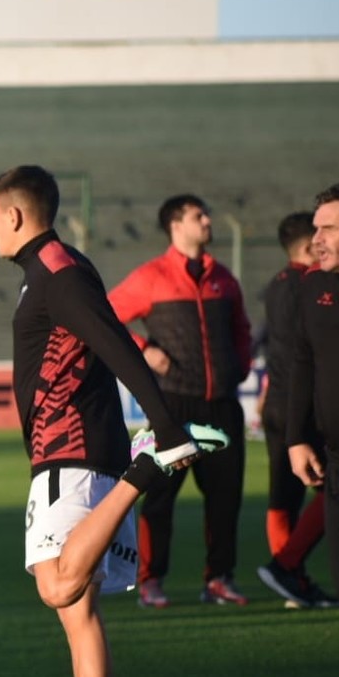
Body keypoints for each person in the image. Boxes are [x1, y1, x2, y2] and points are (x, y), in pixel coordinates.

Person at [0, 165, 221, 677]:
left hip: (73, 450)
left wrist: (165, 431)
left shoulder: (57, 271)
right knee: (77, 610)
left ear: (14, 216)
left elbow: (117, 345)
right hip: (69, 451)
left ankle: (146, 468)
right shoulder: (49, 270)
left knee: (59, 587)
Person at [107, 194, 253, 607]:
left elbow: (242, 328)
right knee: (158, 499)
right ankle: (150, 580)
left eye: (206, 214)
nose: (207, 221)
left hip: (223, 405)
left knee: (226, 500)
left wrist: (239, 367)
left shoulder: (223, 277)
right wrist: (144, 349)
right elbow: (105, 317)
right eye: (198, 216)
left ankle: (220, 579)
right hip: (172, 406)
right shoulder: (151, 276)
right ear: (176, 225)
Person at [254, 212, 339, 608]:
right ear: (309, 245)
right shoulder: (312, 286)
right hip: (300, 404)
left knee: (283, 495)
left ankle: (290, 579)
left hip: (278, 400)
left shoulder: (275, 286)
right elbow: (304, 354)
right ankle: (287, 567)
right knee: (337, 486)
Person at [286, 180, 339, 613]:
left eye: (328, 228)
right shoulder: (313, 287)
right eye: (315, 228)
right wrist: (297, 438)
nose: (316, 240)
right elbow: (303, 362)